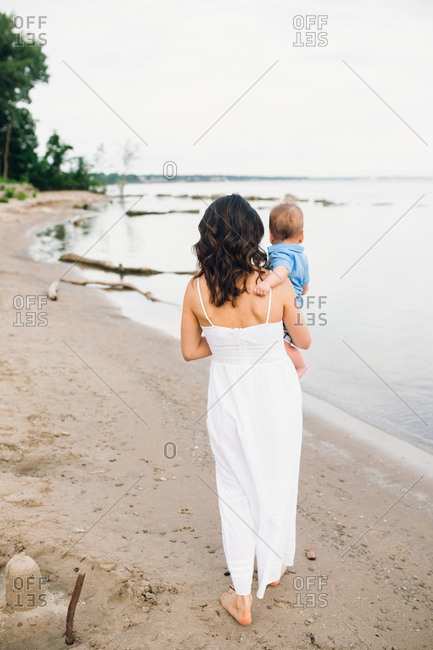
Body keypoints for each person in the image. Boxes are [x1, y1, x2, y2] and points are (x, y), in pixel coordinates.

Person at [181, 194, 311, 625]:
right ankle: (271, 568)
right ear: (255, 235)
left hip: (227, 394)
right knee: (277, 475)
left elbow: (190, 350)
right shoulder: (275, 286)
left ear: (208, 235)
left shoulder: (196, 289)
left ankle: (241, 595)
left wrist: (226, 344)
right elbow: (303, 340)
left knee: (235, 490)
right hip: (275, 390)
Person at [253, 203, 309, 379]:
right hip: (295, 304)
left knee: (282, 343)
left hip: (286, 309)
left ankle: (300, 367)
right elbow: (305, 286)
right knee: (285, 341)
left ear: (270, 236)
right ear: (301, 236)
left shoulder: (281, 253)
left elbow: (282, 270)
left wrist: (267, 284)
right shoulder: (302, 257)